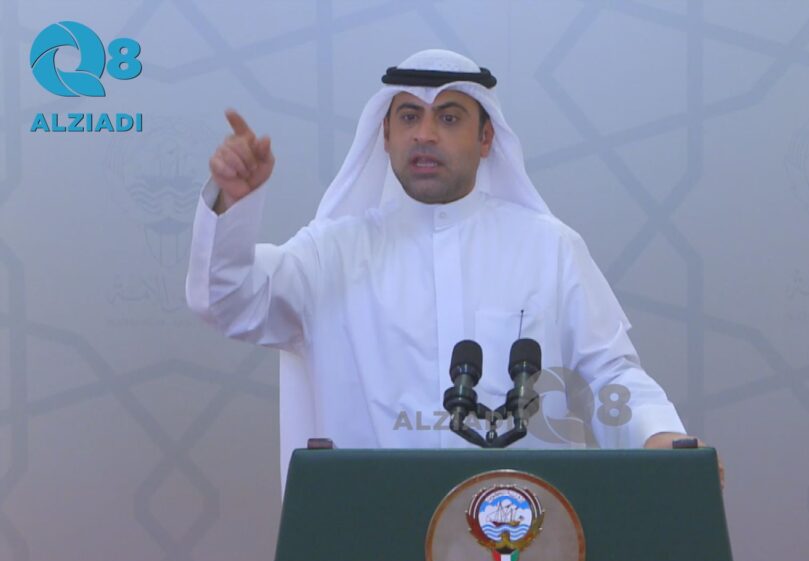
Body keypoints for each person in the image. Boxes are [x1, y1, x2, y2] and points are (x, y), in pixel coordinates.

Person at [186, 49, 696, 486]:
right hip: (370, 533)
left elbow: (610, 374)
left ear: (486, 138)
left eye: (449, 119)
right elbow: (226, 302)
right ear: (385, 135)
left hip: (517, 534)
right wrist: (232, 206)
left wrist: (660, 437)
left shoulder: (549, 248)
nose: (425, 135)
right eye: (409, 117)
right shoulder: (330, 253)